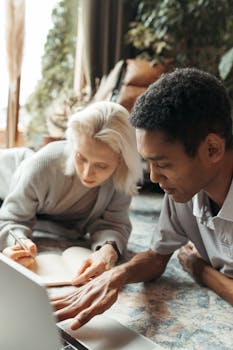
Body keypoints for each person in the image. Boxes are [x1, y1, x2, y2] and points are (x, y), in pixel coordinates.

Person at [51, 67, 233, 330]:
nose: (156, 179)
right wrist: (117, 275)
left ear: (212, 149)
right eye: (149, 163)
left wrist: (199, 270)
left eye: (164, 164)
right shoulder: (183, 190)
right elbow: (158, 257)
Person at [0, 101, 142, 281]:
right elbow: (10, 218)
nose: (87, 172)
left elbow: (114, 225)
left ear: (121, 161)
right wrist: (17, 243)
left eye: (101, 165)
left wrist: (108, 250)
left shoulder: (121, 177)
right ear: (73, 144)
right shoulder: (42, 164)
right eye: (81, 158)